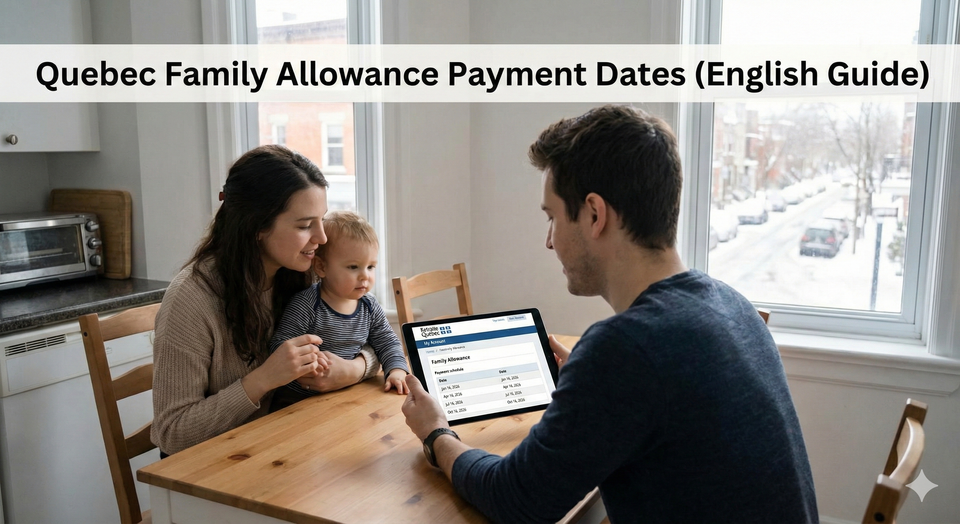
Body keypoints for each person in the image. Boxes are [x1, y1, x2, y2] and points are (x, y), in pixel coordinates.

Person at [401, 105, 819, 523]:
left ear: (595, 215)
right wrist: (588, 391)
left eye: (552, 218)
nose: (550, 242)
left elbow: (516, 500)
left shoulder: (627, 348)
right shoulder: (731, 304)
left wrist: (436, 432)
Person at [151, 145, 381, 456]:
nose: (322, 238)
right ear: (258, 226)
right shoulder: (191, 300)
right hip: (212, 470)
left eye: (321, 220)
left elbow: (374, 333)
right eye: (304, 225)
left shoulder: (303, 272)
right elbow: (172, 433)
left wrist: (353, 369)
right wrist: (263, 379)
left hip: (279, 445)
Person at [269, 210, 410, 412]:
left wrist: (396, 371)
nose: (365, 276)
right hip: (298, 403)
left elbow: (387, 341)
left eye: (371, 267)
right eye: (353, 267)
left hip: (346, 397)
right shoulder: (306, 304)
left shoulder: (369, 306)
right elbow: (280, 348)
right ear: (321, 267)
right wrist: (310, 361)